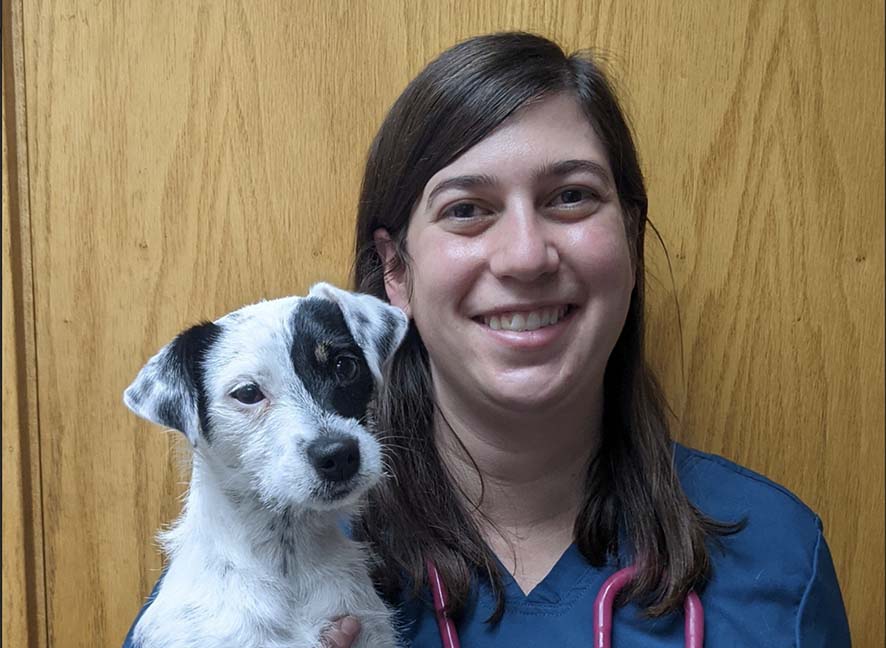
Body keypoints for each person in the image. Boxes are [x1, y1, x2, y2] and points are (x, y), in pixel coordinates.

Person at [124, 32, 851, 647]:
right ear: (395, 272)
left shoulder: (778, 559)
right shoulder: (240, 593)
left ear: (629, 241)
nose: (526, 256)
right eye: (467, 209)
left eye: (571, 196)